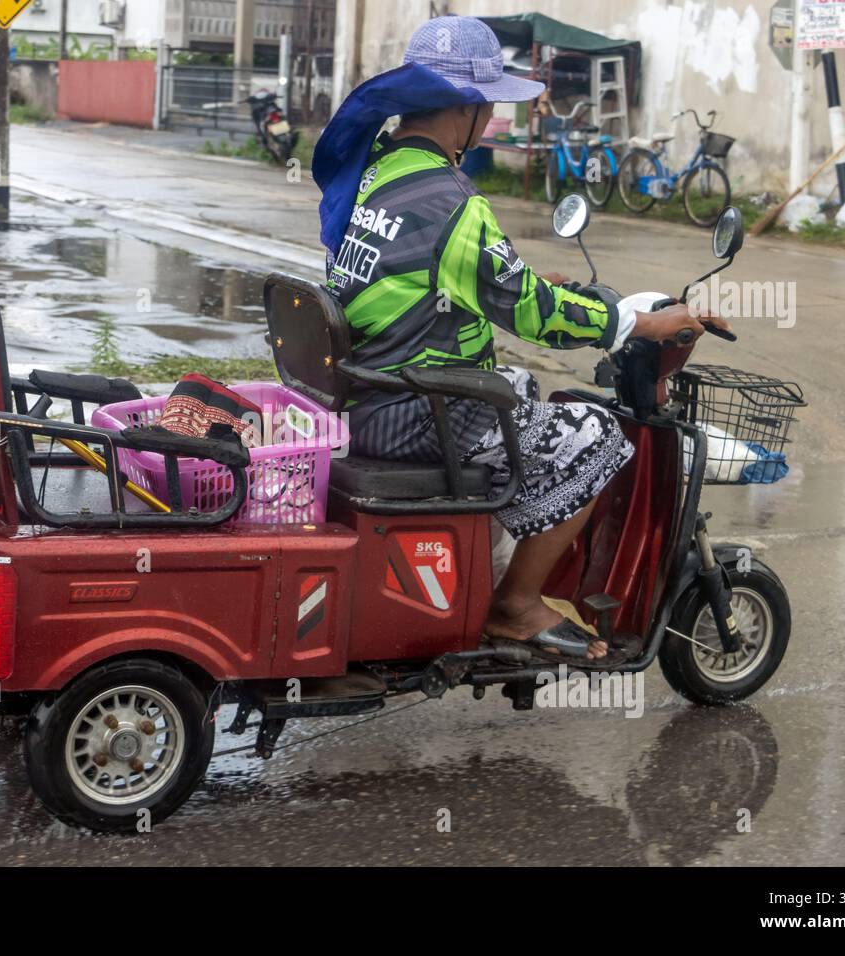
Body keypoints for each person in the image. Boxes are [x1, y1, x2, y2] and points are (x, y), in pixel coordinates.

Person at [312, 16, 729, 660]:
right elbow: (532, 313)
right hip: (416, 411)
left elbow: (435, 275)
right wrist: (642, 323)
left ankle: (489, 565)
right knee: (596, 441)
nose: (493, 120)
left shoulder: (379, 174)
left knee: (528, 393)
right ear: (466, 108)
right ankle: (514, 606)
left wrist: (522, 280)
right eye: (490, 107)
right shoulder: (452, 199)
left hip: (371, 394)